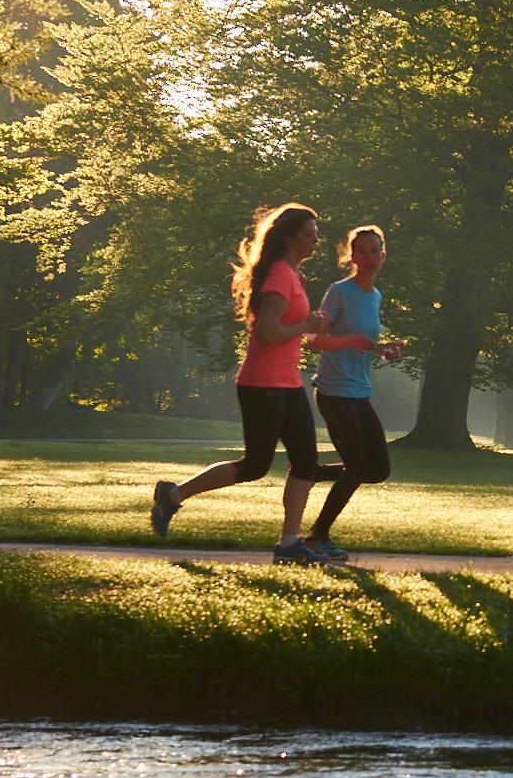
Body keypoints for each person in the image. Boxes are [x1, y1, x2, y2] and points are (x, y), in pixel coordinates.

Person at [150, 203, 339, 563]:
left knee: (305, 461)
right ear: (288, 237)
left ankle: (289, 544)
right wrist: (305, 326)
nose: (316, 240)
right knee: (256, 465)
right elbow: (268, 331)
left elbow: (286, 330)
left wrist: (312, 327)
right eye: (309, 233)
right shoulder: (280, 276)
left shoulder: (290, 274)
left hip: (286, 382)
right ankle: (173, 495)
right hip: (263, 383)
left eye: (317, 233)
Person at [299, 224, 404, 561]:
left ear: (384, 256)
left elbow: (361, 342)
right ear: (352, 257)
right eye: (363, 251)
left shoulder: (375, 296)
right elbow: (314, 340)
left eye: (376, 250)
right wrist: (348, 341)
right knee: (357, 468)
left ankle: (311, 472)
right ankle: (317, 537)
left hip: (359, 392)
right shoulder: (339, 292)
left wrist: (383, 349)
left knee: (378, 470)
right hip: (333, 391)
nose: (370, 257)